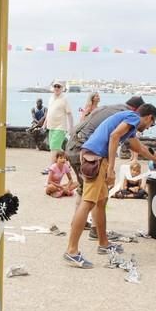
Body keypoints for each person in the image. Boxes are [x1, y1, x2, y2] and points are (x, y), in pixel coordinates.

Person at [63, 104, 156, 269]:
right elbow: (114, 136)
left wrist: (155, 159)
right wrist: (110, 168)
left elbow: (138, 147)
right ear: (149, 117)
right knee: (88, 202)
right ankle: (71, 251)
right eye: (151, 125)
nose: (147, 129)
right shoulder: (133, 117)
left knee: (101, 201)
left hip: (94, 156)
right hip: (96, 158)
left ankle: (103, 243)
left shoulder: (129, 124)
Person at [65, 97, 143, 239]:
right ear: (137, 110)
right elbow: (117, 137)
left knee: (89, 193)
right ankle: (79, 242)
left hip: (73, 145)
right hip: (89, 152)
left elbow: (132, 142)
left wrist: (153, 156)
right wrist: (111, 169)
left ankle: (89, 231)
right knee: (91, 199)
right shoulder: (130, 115)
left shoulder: (112, 107)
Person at [43, 80, 73, 175]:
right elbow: (49, 112)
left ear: (62, 88)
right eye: (55, 86)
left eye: (58, 86)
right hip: (51, 126)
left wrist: (71, 128)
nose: (56, 88)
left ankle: (51, 168)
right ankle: (68, 163)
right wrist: (44, 124)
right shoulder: (51, 98)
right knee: (57, 148)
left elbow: (69, 114)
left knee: (53, 148)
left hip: (60, 127)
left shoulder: (64, 99)